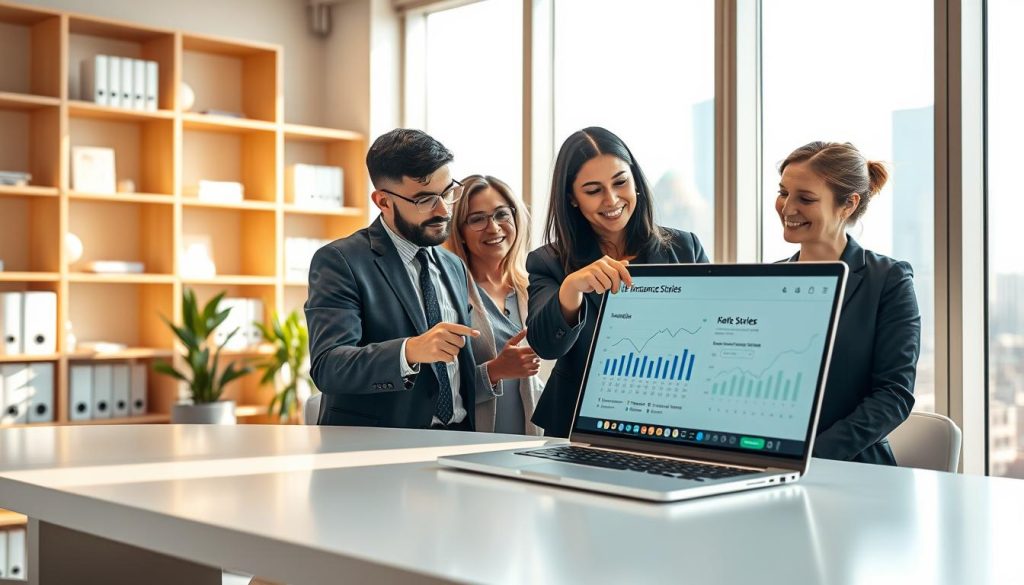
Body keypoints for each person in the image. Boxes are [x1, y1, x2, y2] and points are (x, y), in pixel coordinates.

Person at [526, 127, 709, 437]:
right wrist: (572, 288)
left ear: (635, 181)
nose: (611, 199)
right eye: (593, 190)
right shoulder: (549, 262)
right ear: (572, 197)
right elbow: (545, 344)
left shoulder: (683, 247)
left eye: (620, 182)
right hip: (580, 428)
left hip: (674, 420)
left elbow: (708, 332)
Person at [305, 128, 482, 430]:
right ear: (383, 201)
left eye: (448, 192)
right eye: (425, 199)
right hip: (378, 450)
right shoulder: (340, 261)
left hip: (457, 442)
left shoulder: (453, 265)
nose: (442, 210)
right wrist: (409, 351)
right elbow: (329, 366)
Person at [775, 140, 920, 465]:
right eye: (783, 192)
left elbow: (893, 395)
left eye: (806, 198)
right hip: (766, 460)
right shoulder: (769, 280)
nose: (787, 208)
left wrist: (812, 456)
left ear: (848, 205)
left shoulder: (888, 280)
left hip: (850, 468)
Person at [447, 175, 543, 435]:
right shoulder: (447, 294)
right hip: (471, 450)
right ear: (460, 232)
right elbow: (435, 393)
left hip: (528, 447)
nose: (493, 227)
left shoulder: (532, 288)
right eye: (477, 219)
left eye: (502, 214)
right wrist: (494, 372)